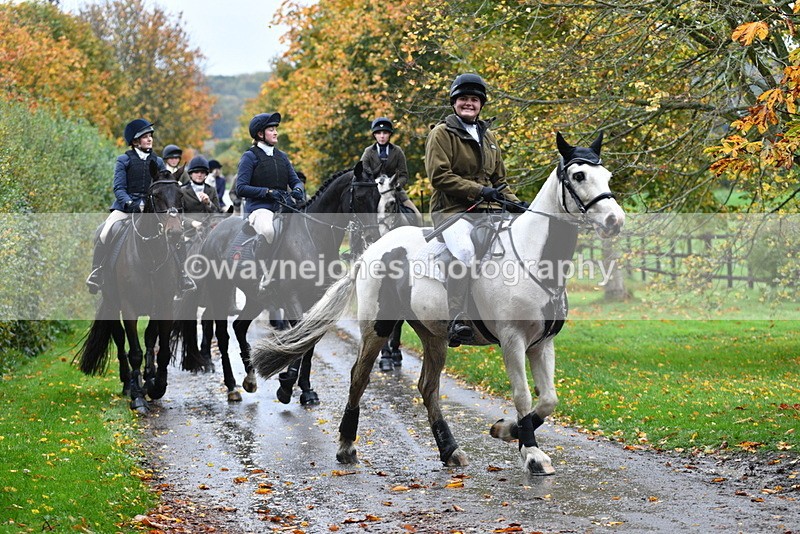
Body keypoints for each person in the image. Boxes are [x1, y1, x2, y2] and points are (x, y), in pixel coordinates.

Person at [426, 73, 527, 347]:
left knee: (513, 243)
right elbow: (439, 176)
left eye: (473, 99)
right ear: (454, 102)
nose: (468, 104)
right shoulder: (441, 134)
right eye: (463, 99)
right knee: (466, 250)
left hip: (487, 208)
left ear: (481, 104)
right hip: (453, 210)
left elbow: (500, 181)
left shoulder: (489, 136)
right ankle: (457, 317)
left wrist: (518, 204)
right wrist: (479, 191)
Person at [86, 119, 196, 295]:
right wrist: (131, 204)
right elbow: (119, 188)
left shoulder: (158, 161)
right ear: (135, 141)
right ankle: (97, 272)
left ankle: (182, 274)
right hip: (126, 207)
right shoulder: (124, 160)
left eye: (150, 136)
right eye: (145, 137)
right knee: (105, 231)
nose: (150, 139)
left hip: (152, 208)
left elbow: (163, 187)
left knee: (177, 233)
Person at [236, 112, 305, 251]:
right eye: (271, 130)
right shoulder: (249, 157)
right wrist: (267, 192)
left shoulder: (282, 157)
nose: (276, 133)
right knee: (268, 231)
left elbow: (295, 181)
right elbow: (241, 188)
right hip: (259, 209)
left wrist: (298, 189)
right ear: (261, 134)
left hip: (285, 208)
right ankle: (262, 269)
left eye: (276, 129)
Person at [360, 117, 422, 225]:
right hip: (375, 193)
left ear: (390, 134)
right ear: (374, 135)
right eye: (379, 133)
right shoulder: (368, 152)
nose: (382, 136)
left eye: (385, 133)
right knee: (358, 221)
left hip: (395, 191)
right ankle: (356, 242)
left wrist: (397, 184)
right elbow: (362, 172)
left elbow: (404, 175)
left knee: (418, 216)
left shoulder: (397, 151)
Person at [181, 155, 221, 230]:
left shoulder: (211, 190)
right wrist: (192, 223)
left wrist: (209, 203)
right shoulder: (182, 191)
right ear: (191, 174)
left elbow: (217, 212)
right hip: (189, 232)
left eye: (202, 172)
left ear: (206, 174)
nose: (199, 175)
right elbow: (179, 215)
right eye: (196, 172)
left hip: (208, 230)